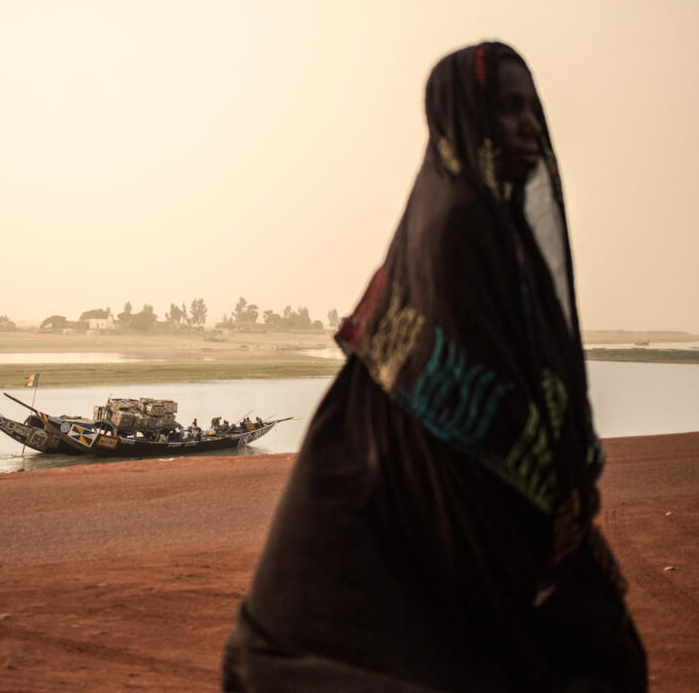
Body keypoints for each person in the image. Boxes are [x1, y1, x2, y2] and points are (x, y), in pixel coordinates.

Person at [222, 42, 646, 692]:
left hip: (475, 485)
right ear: (464, 118)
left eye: (533, 108)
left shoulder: (500, 229)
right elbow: (476, 390)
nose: (531, 125)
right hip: (438, 482)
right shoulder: (458, 225)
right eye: (508, 109)